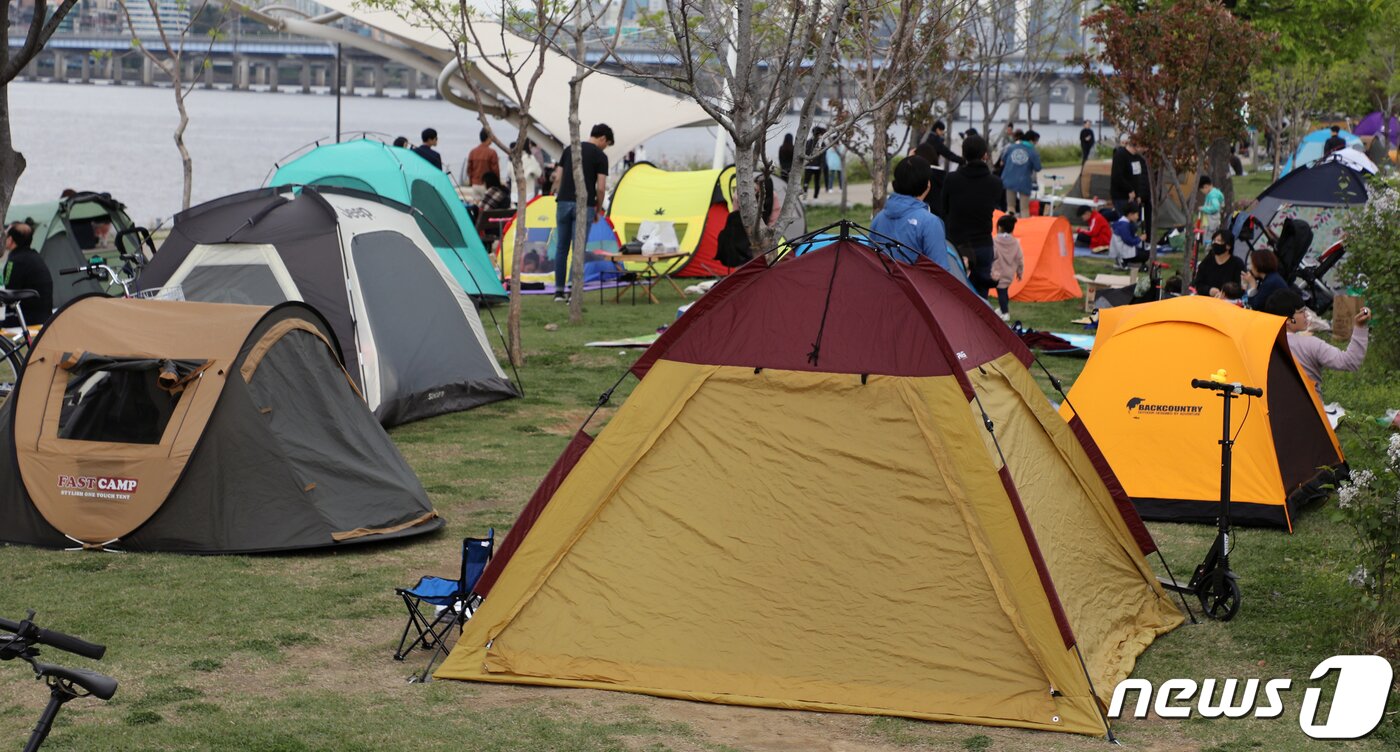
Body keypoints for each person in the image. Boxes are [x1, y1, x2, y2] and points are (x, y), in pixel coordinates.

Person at [1261, 289, 1368, 395]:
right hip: (1309, 409)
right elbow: (1350, 362)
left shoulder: (1259, 345)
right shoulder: (1310, 344)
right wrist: (1360, 326)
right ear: (1288, 320)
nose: (1306, 315)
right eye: (1301, 311)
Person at [550, 123, 613, 301]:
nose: (605, 147)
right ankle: (572, 291)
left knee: (561, 247)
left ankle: (558, 292)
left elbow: (558, 177)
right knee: (578, 248)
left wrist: (555, 192)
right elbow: (601, 188)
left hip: (563, 201)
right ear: (602, 139)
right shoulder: (600, 156)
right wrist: (598, 209)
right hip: (584, 204)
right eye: (607, 143)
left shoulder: (570, 149)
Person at [940, 135, 1003, 298]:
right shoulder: (995, 183)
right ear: (985, 155)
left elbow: (944, 209)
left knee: (955, 294)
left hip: (956, 245)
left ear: (963, 154)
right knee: (980, 297)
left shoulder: (951, 179)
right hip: (983, 244)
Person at [869, 156, 950, 272]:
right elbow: (940, 272)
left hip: (884, 288)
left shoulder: (878, 218)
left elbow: (872, 262)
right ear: (927, 184)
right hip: (916, 289)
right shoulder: (930, 223)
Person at [1, 223, 54, 328]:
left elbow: (8, 292)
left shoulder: (15, 261)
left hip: (25, 318)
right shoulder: (34, 256)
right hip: (45, 316)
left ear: (11, 240)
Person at [920, 120, 964, 218]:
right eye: (942, 130)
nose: (943, 133)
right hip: (932, 170)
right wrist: (961, 160)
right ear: (937, 129)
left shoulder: (927, 138)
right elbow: (947, 153)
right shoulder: (935, 140)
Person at [1110, 138, 1150, 230]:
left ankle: (1130, 241)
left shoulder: (1137, 157)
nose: (1144, 150)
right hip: (1122, 196)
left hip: (1134, 196)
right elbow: (1117, 177)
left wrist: (1138, 194)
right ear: (1137, 146)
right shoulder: (1120, 155)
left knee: (1134, 224)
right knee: (1126, 223)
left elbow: (1137, 177)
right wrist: (1130, 190)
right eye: (1143, 147)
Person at [1191, 229, 1245, 297]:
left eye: (1219, 241)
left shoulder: (1237, 264)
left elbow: (1240, 288)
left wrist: (1225, 294)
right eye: (1214, 240)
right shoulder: (1207, 261)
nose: (1215, 243)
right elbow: (1198, 284)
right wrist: (1209, 290)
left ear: (1228, 246)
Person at [991, 214, 1024, 321]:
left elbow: (992, 255)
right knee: (1004, 292)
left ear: (999, 227)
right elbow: (1019, 258)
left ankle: (1005, 313)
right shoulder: (1015, 243)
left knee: (1001, 293)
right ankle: (1002, 309)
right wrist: (1019, 272)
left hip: (998, 273)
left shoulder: (995, 241)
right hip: (1009, 273)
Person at [1000, 131, 1041, 215]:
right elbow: (1038, 167)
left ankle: (1008, 225)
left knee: (1010, 207)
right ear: (1031, 140)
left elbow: (1003, 158)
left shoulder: (1012, 147)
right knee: (1024, 208)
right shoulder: (1033, 152)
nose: (1036, 143)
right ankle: (1024, 226)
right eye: (1036, 141)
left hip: (1009, 180)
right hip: (1024, 182)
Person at [1109, 202, 1149, 269]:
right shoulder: (1124, 225)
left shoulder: (1121, 222)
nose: (1138, 217)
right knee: (1145, 255)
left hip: (1121, 249)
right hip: (1122, 251)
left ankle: (1124, 261)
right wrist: (1140, 239)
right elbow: (1129, 241)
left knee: (1144, 251)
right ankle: (1124, 261)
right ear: (1130, 214)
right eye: (1137, 215)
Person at [463, 128, 499, 194]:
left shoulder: (473, 152)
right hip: (487, 185)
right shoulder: (492, 153)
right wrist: (497, 185)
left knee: (476, 203)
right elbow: (495, 171)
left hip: (475, 185)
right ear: (488, 137)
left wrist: (471, 182)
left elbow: (469, 170)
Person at [803, 127, 827, 199]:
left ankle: (805, 195)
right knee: (817, 182)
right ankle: (815, 197)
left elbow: (805, 153)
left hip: (808, 165)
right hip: (817, 166)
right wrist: (822, 165)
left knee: (806, 181)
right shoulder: (822, 143)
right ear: (820, 134)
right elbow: (823, 156)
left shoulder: (808, 142)